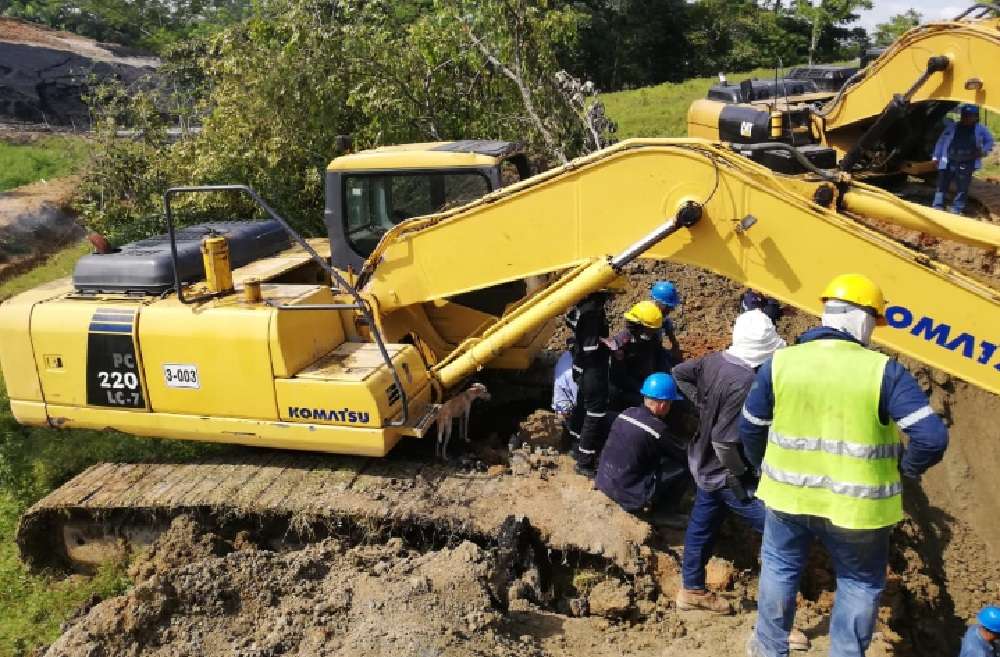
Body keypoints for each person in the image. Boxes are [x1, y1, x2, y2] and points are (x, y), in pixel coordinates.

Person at [741, 273, 950, 657]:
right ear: (861, 318)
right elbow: (932, 438)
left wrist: (762, 468)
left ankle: (770, 650)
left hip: (787, 498)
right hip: (857, 510)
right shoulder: (882, 370)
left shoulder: (780, 362)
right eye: (875, 319)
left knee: (779, 566)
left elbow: (750, 428)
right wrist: (905, 472)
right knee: (857, 582)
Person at [672, 309, 786, 614]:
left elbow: (679, 374)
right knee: (778, 530)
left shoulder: (714, 361)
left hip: (703, 461)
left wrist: (703, 404)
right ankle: (777, 616)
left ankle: (691, 588)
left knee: (702, 524)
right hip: (725, 470)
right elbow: (725, 440)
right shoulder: (747, 382)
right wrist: (745, 475)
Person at [595, 372, 689, 525]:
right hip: (628, 496)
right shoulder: (657, 429)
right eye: (671, 403)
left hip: (604, 481)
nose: (670, 407)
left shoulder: (626, 413)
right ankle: (664, 513)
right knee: (685, 466)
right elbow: (685, 455)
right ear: (663, 404)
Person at [565, 292, 611, 476]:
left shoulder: (581, 307)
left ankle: (575, 445)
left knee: (582, 405)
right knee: (595, 413)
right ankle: (584, 461)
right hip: (592, 371)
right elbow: (590, 347)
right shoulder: (592, 314)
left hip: (581, 368)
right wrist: (608, 345)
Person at [606, 300, 672, 411]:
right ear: (638, 326)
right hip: (631, 391)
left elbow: (658, 358)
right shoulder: (621, 345)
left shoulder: (651, 338)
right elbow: (619, 378)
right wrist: (643, 389)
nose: (653, 333)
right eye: (650, 330)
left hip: (650, 383)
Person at [932, 104, 995, 215]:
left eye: (969, 116)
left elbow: (990, 141)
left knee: (962, 187)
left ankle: (957, 209)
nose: (965, 118)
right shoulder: (953, 127)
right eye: (964, 115)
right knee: (942, 184)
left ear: (976, 117)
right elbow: (941, 141)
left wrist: (983, 151)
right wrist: (936, 156)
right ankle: (937, 205)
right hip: (949, 160)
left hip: (966, 163)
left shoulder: (980, 129)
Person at [651, 280, 683, 363]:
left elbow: (667, 325)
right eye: (668, 306)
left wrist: (675, 344)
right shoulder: (647, 318)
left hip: (656, 348)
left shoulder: (661, 314)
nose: (671, 309)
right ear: (658, 302)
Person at [552, 348, 578, 443]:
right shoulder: (572, 373)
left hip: (561, 404)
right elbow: (579, 400)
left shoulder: (567, 355)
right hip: (567, 412)